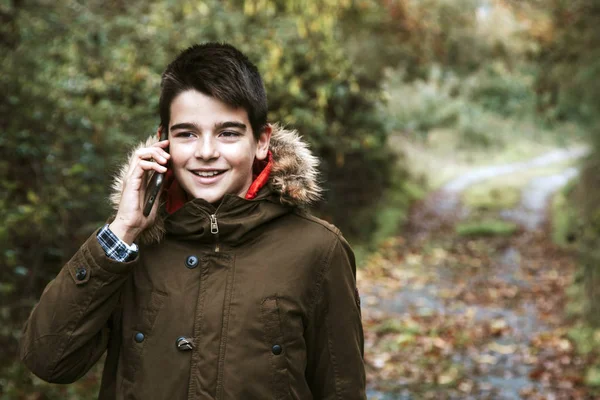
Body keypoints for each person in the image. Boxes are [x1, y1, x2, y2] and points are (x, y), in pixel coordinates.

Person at [19, 42, 366, 399]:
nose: (205, 152)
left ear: (261, 141)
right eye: (187, 133)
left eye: (228, 133)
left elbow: (342, 389)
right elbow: (48, 360)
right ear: (162, 142)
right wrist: (122, 230)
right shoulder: (127, 248)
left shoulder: (318, 250)